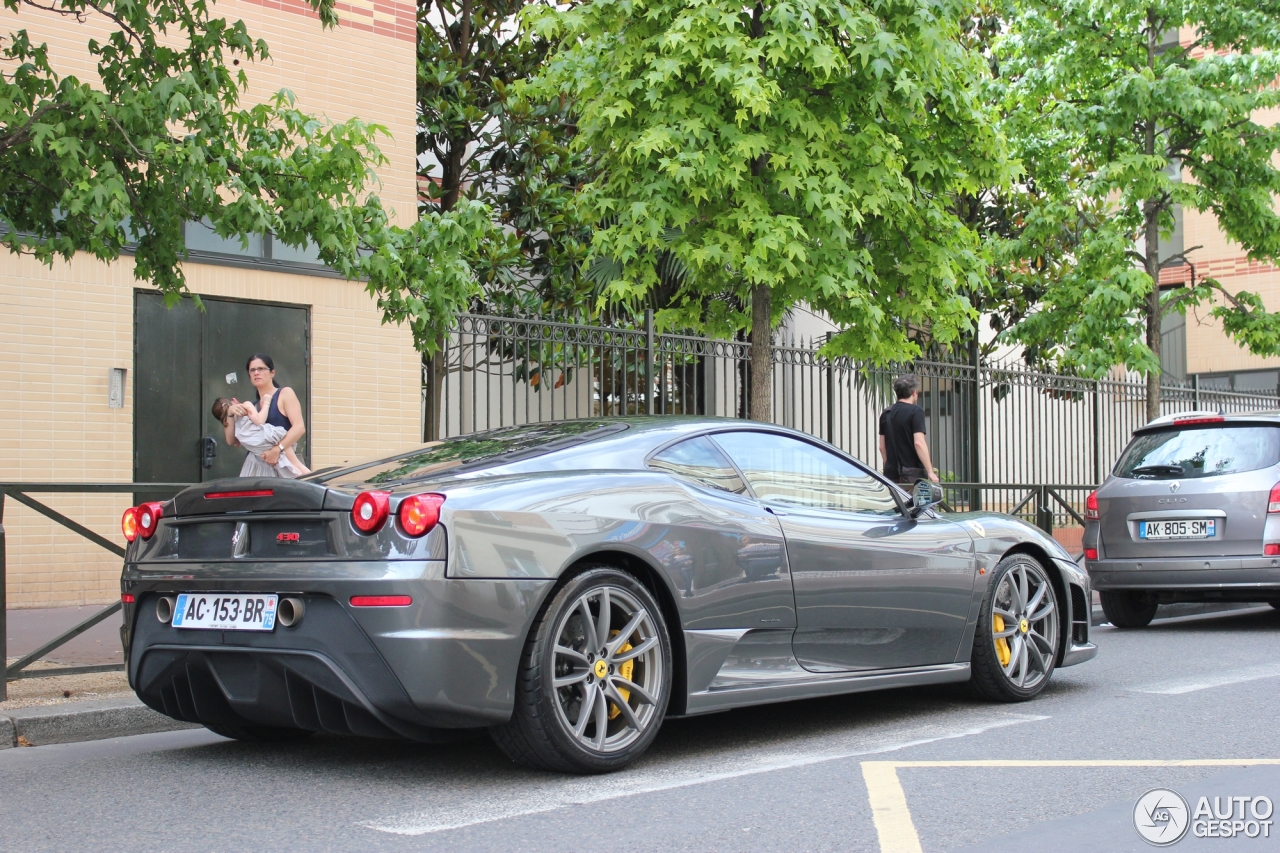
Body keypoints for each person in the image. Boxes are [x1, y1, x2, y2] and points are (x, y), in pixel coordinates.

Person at [222, 353, 307, 477]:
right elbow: (232, 441)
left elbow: (299, 427)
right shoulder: (251, 407)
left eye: (261, 369)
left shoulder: (284, 394)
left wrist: (277, 449)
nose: (256, 373)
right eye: (252, 370)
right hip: (256, 468)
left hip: (284, 464)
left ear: (272, 372)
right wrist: (230, 413)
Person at [212, 397, 309, 477]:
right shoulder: (246, 405)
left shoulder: (231, 423)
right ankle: (317, 484)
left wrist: (229, 416)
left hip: (259, 448)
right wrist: (266, 403)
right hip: (269, 437)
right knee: (296, 465)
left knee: (289, 470)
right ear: (234, 400)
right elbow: (259, 420)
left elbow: (233, 442)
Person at [878, 374, 940, 485]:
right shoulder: (916, 411)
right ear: (914, 392)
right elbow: (919, 443)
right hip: (912, 475)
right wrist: (930, 471)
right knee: (913, 502)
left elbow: (882, 447)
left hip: (891, 475)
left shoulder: (886, 413)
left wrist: (890, 466)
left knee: (895, 502)